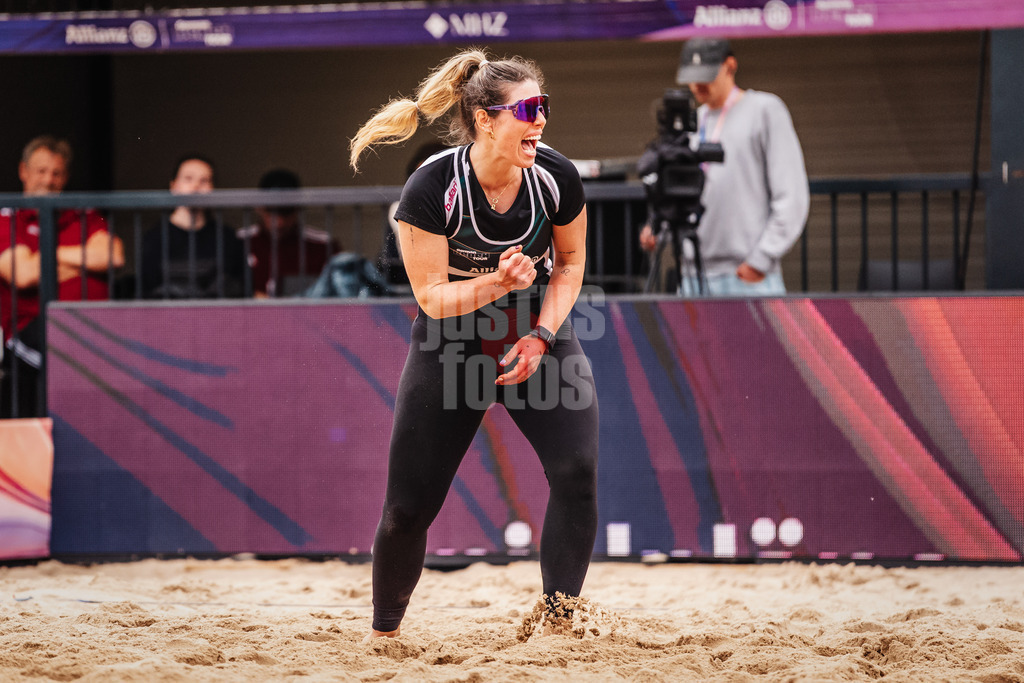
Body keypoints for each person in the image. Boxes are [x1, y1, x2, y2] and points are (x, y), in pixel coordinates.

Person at [350, 48, 599, 639]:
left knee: (578, 473)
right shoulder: (432, 185)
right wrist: (497, 281)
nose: (540, 120)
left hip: (532, 334)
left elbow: (569, 264)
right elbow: (432, 298)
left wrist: (542, 334)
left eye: (545, 107)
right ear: (485, 118)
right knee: (408, 508)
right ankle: (385, 634)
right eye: (528, 109)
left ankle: (558, 625)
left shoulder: (555, 176)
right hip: (452, 340)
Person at [640, 37, 810, 296]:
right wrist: (659, 226)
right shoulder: (693, 123)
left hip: (746, 275)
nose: (698, 85)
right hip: (693, 272)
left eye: (706, 75)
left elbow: (792, 194)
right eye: (692, 76)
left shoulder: (765, 110)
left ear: (730, 66)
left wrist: (762, 258)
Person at [0, 135, 124, 418]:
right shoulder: (7, 218)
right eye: (41, 171)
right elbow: (24, 274)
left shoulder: (85, 215)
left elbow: (113, 256)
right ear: (23, 172)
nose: (48, 180)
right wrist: (83, 261)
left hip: (93, 330)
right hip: (31, 337)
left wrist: (46, 255)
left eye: (56, 173)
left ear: (66, 177)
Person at [140, 155, 245, 299]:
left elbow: (238, 289)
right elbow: (147, 293)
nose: (196, 186)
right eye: (188, 178)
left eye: (204, 181)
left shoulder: (227, 238)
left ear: (212, 189)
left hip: (217, 319)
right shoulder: (153, 239)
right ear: (173, 186)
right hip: (168, 319)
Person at [237, 168, 340, 298]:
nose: (279, 222)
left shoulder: (322, 244)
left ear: (298, 208)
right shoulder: (238, 241)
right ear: (259, 207)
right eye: (272, 211)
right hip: (251, 317)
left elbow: (336, 293)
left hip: (305, 316)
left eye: (286, 212)